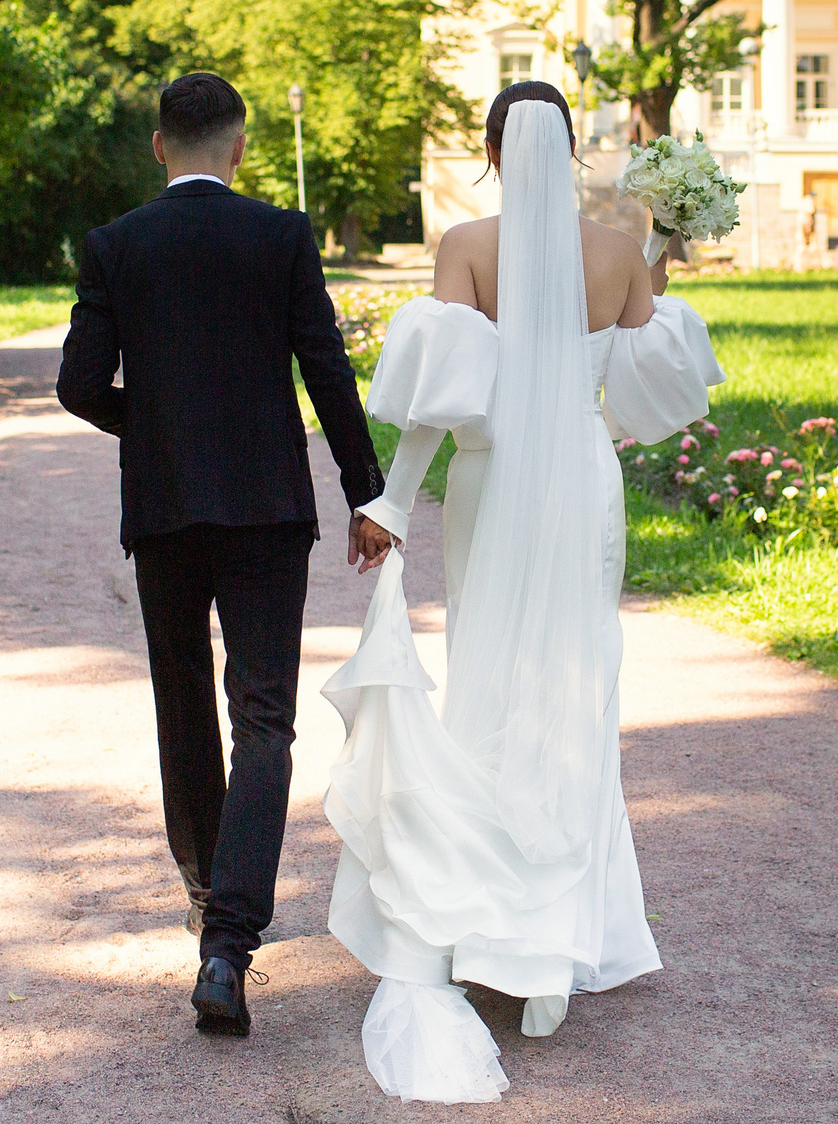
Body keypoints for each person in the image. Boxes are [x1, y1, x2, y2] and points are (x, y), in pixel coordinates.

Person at [328, 83, 723, 1102]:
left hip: (493, 483)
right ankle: (557, 946)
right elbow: (646, 391)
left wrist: (393, 505)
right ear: (576, 148)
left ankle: (481, 917)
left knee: (490, 679)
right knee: (577, 684)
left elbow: (439, 400)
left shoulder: (466, 242)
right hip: (580, 480)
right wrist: (652, 271)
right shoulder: (619, 251)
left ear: (494, 146)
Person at [54, 71, 390, 1039]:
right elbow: (324, 368)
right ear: (239, 148)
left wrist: (149, 425)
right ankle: (228, 946)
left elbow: (79, 385)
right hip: (266, 510)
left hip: (164, 509)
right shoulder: (280, 236)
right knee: (265, 718)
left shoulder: (114, 245)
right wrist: (366, 493)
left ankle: (207, 893)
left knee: (182, 701)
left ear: (159, 146)